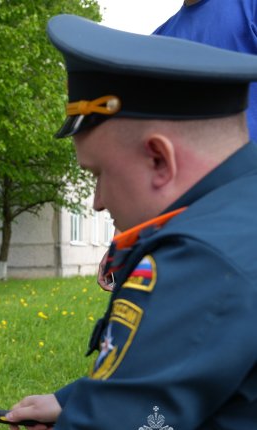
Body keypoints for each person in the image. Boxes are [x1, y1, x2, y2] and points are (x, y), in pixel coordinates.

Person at [0, 15, 257, 430]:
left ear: (159, 158)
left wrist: (90, 426)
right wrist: (77, 402)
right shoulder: (239, 213)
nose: (98, 201)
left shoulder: (201, 256)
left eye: (97, 174)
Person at [97, 0, 257, 290]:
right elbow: (143, 143)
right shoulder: (158, 43)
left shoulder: (247, 7)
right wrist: (123, 236)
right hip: (188, 219)